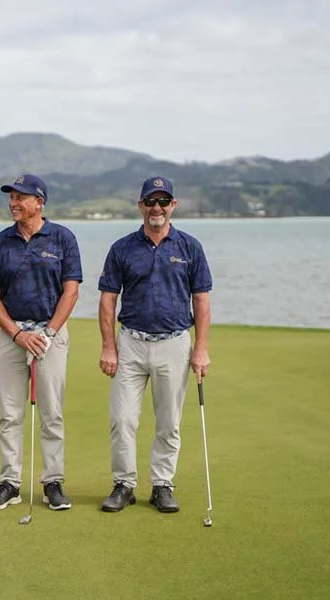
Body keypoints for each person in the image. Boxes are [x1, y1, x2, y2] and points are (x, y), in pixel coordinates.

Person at [97, 175, 212, 513]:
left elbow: (201, 301)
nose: (157, 208)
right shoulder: (122, 248)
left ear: (173, 205)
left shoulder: (189, 247)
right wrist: (108, 346)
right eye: (151, 202)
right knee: (122, 420)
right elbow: (107, 301)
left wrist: (201, 349)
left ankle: (162, 484)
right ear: (141, 206)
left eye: (163, 202)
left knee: (168, 422)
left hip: (175, 343)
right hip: (130, 342)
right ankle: (124, 484)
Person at [0, 173, 82, 511]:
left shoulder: (63, 238)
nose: (13, 203)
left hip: (50, 336)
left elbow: (71, 291)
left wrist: (48, 333)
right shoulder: (0, 242)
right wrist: (17, 334)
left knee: (52, 413)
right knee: (9, 414)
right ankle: (10, 482)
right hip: (12, 335)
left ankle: (53, 481)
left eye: (20, 197)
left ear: (39, 202)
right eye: (11, 197)